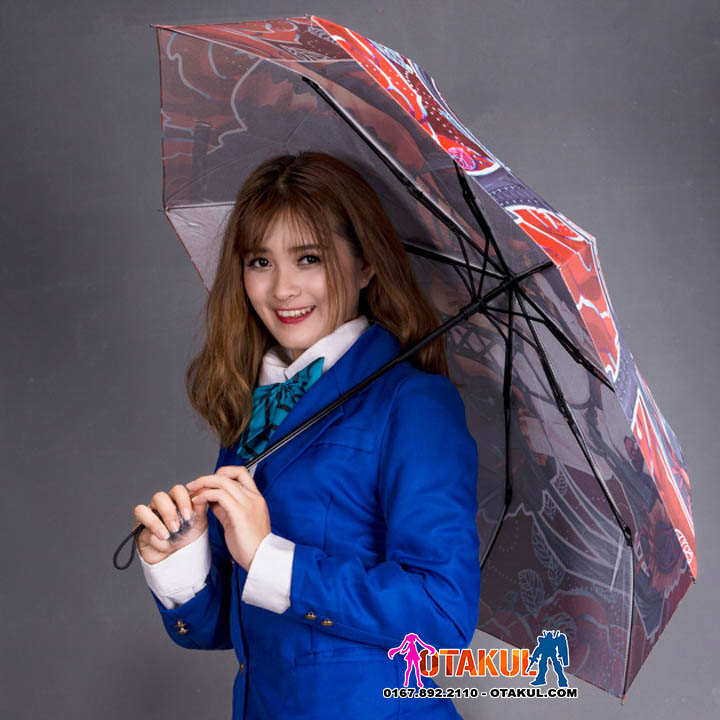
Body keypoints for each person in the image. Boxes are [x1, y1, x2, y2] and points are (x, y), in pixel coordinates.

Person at [132, 151, 481, 719]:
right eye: (260, 261)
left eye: (309, 258)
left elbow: (442, 614)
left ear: (366, 265)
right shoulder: (257, 409)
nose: (282, 289)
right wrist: (179, 558)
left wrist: (270, 557)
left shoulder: (413, 404)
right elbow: (236, 623)